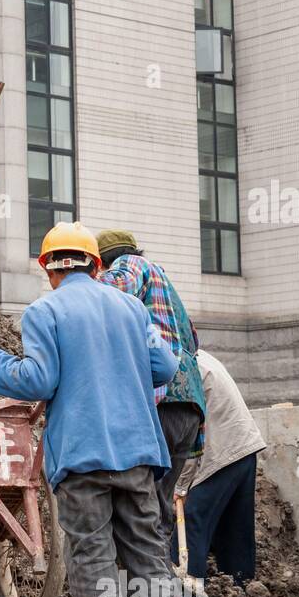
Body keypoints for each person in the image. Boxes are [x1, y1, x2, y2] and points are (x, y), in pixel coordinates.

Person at [0, 222, 182, 597]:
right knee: (149, 555)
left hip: (83, 458)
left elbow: (39, 380)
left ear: (49, 269)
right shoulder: (130, 308)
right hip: (139, 453)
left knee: (93, 560)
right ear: (96, 265)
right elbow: (164, 367)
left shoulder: (45, 311)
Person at [95, 230, 206, 544]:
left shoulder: (130, 265)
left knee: (141, 508)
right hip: (189, 406)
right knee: (158, 506)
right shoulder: (166, 284)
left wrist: (75, 286)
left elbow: (113, 285)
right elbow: (194, 340)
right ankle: (158, 585)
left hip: (161, 400)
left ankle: (140, 585)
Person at [174, 350, 266, 597]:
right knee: (234, 527)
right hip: (244, 448)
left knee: (189, 519)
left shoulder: (181, 368)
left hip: (220, 453)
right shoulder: (199, 357)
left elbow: (189, 434)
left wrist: (180, 486)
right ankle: (241, 595)